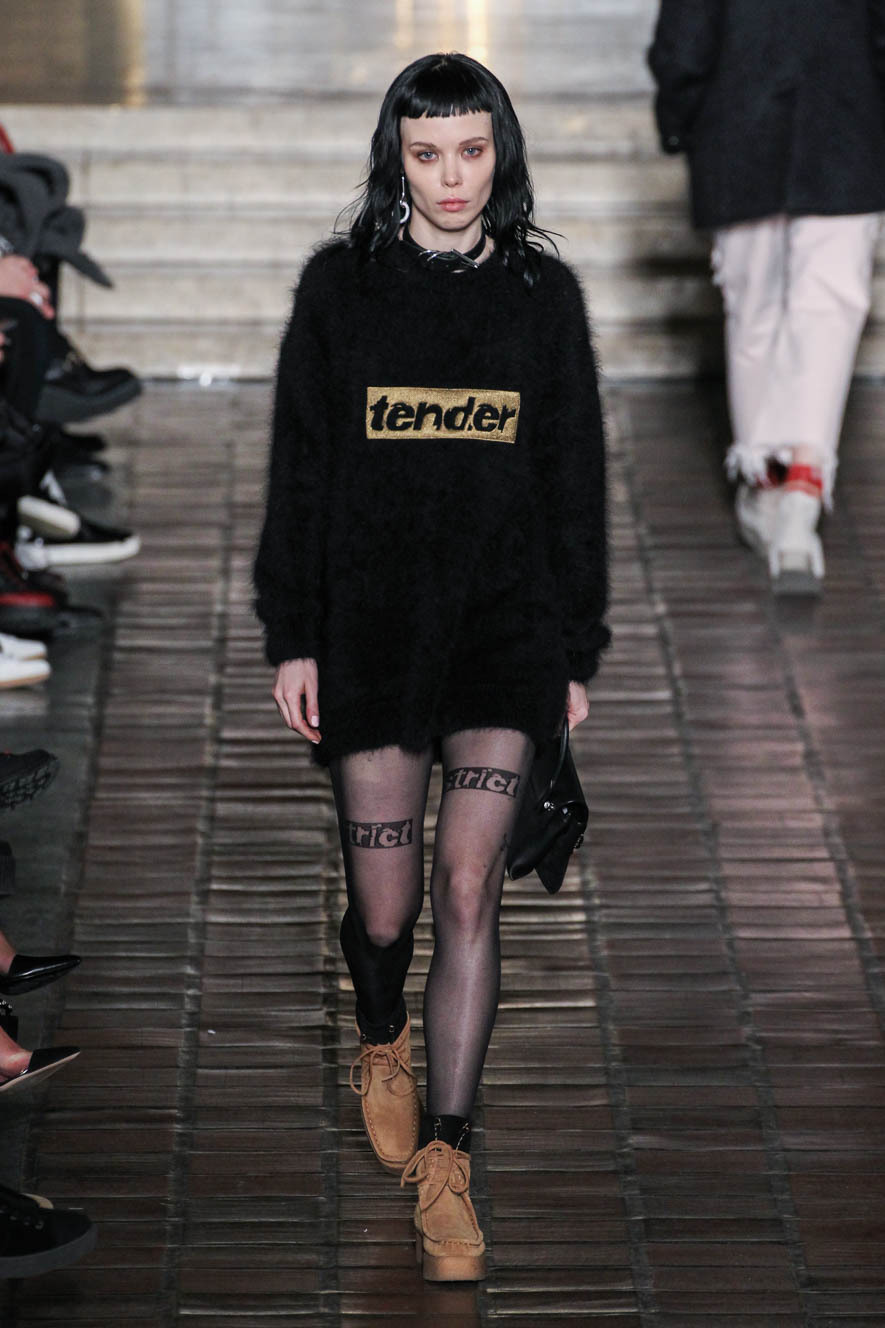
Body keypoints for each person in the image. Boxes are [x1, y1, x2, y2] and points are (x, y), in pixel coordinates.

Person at [254, 52, 609, 1283]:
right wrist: (293, 633)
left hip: (505, 628)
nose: (451, 177)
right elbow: (300, 470)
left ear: (498, 153)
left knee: (469, 889)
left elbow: (574, 477)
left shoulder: (542, 297)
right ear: (395, 159)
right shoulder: (340, 291)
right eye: (426, 154)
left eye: (471, 150)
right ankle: (378, 1025)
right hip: (375, 625)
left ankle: (450, 1164)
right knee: (387, 908)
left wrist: (576, 646)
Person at [648, 0, 885, 595]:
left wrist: (681, 120)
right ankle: (803, 488)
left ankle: (768, 483)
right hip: (849, 120)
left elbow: (684, 41)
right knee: (829, 308)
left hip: (740, 119)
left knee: (755, 311)